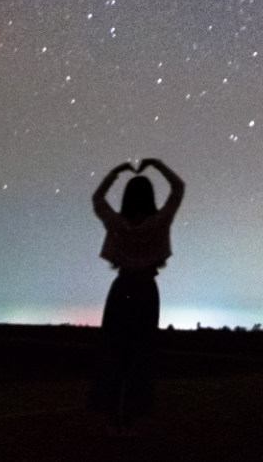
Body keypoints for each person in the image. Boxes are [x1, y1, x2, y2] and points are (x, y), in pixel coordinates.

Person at [88, 156, 184, 428]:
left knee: (114, 351)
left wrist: (115, 172)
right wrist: (157, 165)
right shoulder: (160, 222)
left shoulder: (116, 224)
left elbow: (97, 199)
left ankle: (109, 416)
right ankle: (133, 417)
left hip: (122, 289)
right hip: (145, 290)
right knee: (142, 354)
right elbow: (178, 189)